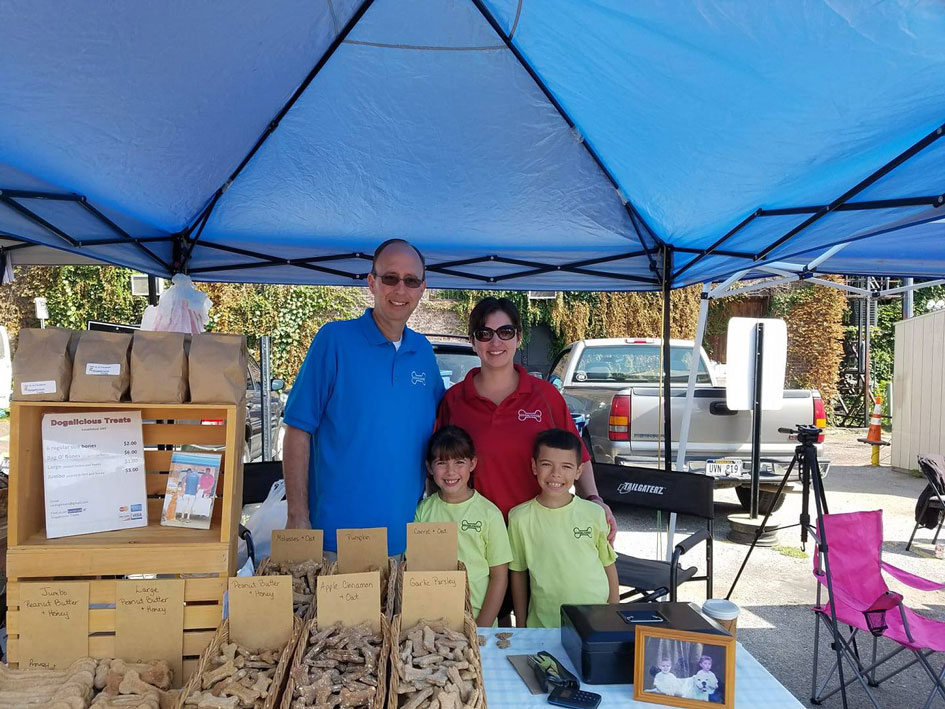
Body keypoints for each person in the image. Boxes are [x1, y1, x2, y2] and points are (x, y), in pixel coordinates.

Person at [282, 239, 445, 556]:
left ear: (422, 288)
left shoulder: (423, 351)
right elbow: (298, 430)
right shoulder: (334, 340)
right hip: (335, 542)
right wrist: (297, 516)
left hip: (405, 541)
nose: (400, 290)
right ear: (371, 282)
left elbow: (440, 435)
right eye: (390, 278)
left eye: (411, 281)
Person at [508, 429, 618, 628]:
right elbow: (518, 573)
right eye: (546, 464)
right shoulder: (519, 518)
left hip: (595, 621)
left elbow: (608, 565)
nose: (556, 474)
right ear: (534, 466)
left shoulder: (594, 513)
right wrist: (522, 624)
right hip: (543, 624)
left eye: (566, 466)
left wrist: (615, 614)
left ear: (578, 471)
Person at [414, 426, 512, 627]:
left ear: (472, 463)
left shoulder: (489, 514)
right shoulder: (422, 512)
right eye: (442, 463)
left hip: (477, 620)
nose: (451, 471)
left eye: (459, 462)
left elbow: (499, 576)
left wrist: (482, 626)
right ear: (430, 468)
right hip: (433, 623)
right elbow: (414, 567)